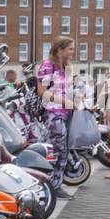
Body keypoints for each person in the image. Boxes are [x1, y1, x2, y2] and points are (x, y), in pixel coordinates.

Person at [36, 37, 77, 197]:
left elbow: (68, 89)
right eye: (70, 49)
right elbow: (42, 92)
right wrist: (64, 101)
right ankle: (52, 187)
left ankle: (54, 185)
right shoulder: (47, 66)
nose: (73, 52)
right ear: (60, 50)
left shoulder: (67, 67)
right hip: (53, 113)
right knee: (58, 149)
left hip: (66, 112)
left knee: (63, 149)